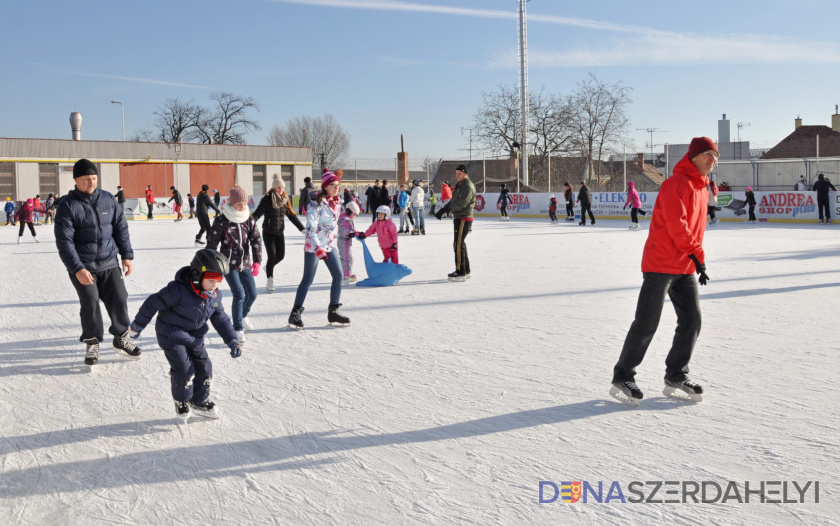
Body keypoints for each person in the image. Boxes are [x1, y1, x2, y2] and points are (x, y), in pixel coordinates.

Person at [610, 137, 717, 406]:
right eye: (706, 154)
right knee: (647, 322)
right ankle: (623, 375)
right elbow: (676, 224)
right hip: (660, 264)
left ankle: (676, 375)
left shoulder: (702, 187)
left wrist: (694, 260)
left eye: (715, 155)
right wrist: (698, 256)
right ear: (692, 156)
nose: (712, 159)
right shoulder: (675, 184)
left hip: (684, 265)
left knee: (692, 320)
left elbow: (695, 229)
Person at [129, 249, 240, 418]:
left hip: (195, 336)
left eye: (218, 281)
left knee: (205, 367)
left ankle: (199, 401)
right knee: (184, 368)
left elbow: (221, 318)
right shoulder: (177, 290)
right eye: (211, 281)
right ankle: (182, 400)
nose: (215, 286)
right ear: (197, 275)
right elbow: (152, 303)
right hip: (171, 333)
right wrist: (137, 325)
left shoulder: (214, 296)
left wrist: (232, 339)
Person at [54, 159, 141, 366]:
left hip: (109, 262)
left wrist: (127, 256)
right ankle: (92, 342)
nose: (91, 183)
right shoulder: (68, 205)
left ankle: (121, 337)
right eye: (86, 179)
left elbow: (121, 229)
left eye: (94, 178)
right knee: (90, 302)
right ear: (76, 180)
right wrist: (77, 268)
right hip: (84, 266)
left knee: (120, 297)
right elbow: (64, 241)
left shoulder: (108, 199)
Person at [288, 170, 349, 328]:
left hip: (329, 244)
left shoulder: (337, 202)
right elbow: (310, 230)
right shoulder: (315, 205)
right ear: (325, 186)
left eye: (338, 185)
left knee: (339, 275)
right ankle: (295, 314)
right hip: (314, 246)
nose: (337, 188)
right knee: (308, 279)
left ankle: (333, 312)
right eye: (333, 185)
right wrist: (317, 248)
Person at [207, 186, 262, 343]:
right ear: (231, 203)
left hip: (245, 264)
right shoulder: (222, 220)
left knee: (252, 294)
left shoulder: (249, 219)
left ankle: (242, 315)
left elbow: (256, 239)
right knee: (239, 294)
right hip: (228, 265)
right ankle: (237, 328)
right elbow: (212, 243)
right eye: (239, 204)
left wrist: (257, 261)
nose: (243, 207)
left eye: (245, 204)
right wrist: (212, 266)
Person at [251, 176, 304, 293]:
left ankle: (268, 268)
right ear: (274, 188)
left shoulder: (284, 199)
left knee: (281, 256)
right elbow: (257, 214)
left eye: (283, 187)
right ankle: (270, 279)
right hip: (268, 232)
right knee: (272, 256)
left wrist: (302, 229)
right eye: (279, 187)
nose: (281, 189)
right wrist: (248, 225)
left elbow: (292, 216)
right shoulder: (267, 199)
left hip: (280, 232)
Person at [435, 164, 475, 281]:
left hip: (463, 218)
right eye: (456, 173)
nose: (457, 176)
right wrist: (443, 209)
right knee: (460, 243)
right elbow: (453, 200)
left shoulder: (467, 186)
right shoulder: (460, 185)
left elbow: (461, 203)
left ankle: (460, 272)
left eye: (460, 174)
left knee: (457, 244)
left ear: (465, 174)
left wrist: (447, 209)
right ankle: (466, 270)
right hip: (460, 217)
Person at [337, 201, 360, 285]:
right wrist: (351, 233)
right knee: (345, 259)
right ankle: (343, 276)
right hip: (343, 242)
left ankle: (348, 274)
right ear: (350, 211)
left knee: (350, 258)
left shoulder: (348, 219)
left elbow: (352, 230)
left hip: (347, 242)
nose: (355, 216)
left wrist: (358, 233)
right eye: (355, 214)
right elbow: (343, 231)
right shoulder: (343, 219)